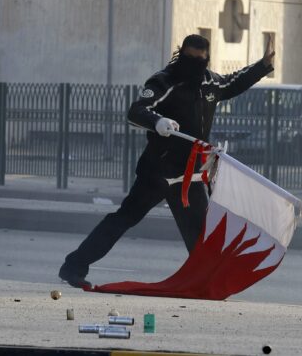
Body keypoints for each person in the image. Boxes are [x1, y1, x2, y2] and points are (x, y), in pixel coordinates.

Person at [59, 34, 275, 288]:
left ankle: (205, 283)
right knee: (123, 219)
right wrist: (157, 122)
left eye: (200, 59)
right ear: (180, 53)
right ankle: (73, 267)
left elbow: (235, 81)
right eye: (188, 58)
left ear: (206, 59)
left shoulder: (210, 84)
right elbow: (137, 111)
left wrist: (263, 65)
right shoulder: (164, 81)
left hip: (190, 176)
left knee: (199, 233)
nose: (194, 64)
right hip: (158, 172)